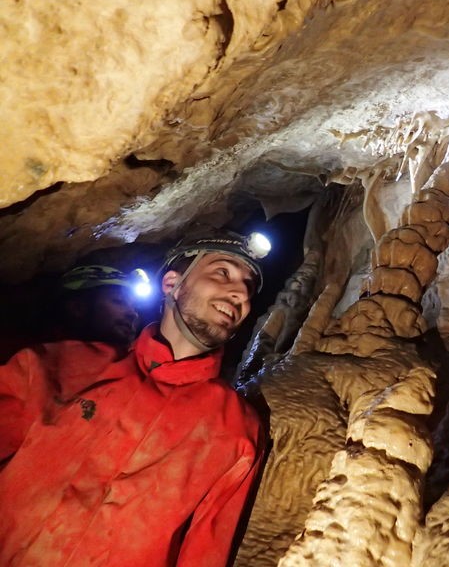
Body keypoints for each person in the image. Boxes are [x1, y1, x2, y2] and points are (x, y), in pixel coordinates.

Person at [0, 229, 269, 566]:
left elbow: (206, 551)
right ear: (171, 284)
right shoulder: (61, 366)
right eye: (223, 272)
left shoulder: (235, 429)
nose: (239, 293)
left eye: (248, 287)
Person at [56, 264, 142, 350]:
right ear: (78, 307)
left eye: (134, 307)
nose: (133, 314)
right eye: (119, 302)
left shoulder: (142, 360)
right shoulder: (45, 361)